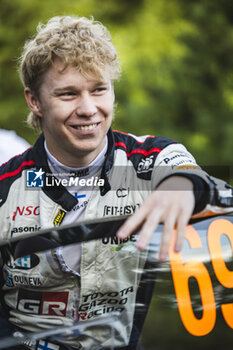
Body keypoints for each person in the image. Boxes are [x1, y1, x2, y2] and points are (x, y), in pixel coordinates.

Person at [0, 15, 232, 350]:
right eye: (68, 94)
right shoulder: (6, 191)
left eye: (99, 90)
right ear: (34, 101)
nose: (88, 108)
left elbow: (211, 188)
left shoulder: (147, 161)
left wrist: (182, 186)